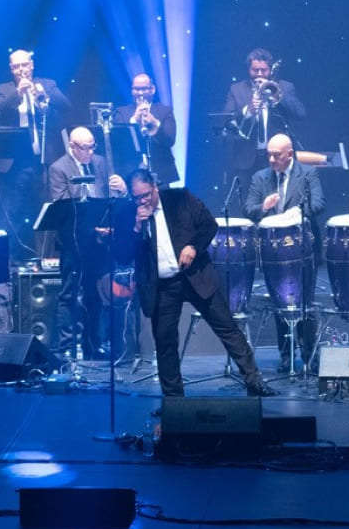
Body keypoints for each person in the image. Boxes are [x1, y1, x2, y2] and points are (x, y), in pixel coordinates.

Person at [115, 170, 277, 401]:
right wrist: (136, 228)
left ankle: (254, 380)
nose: (142, 201)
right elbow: (120, 255)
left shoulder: (179, 199)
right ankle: (173, 400)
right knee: (165, 341)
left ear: (155, 188)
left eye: (146, 195)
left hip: (194, 275)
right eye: (136, 197)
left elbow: (209, 225)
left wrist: (193, 247)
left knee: (227, 327)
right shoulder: (129, 214)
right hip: (162, 285)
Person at [244, 134, 326, 373]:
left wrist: (296, 213)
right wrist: (264, 208)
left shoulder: (308, 174)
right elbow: (249, 208)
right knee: (280, 301)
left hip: (303, 247)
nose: (271, 159)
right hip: (273, 250)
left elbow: (319, 204)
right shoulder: (260, 178)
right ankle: (285, 355)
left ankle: (311, 355)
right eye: (268, 154)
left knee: (305, 302)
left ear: (289, 154)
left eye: (276, 155)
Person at [46, 128, 127, 359]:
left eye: (93, 146)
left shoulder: (100, 163)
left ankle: (94, 343)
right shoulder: (59, 168)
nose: (90, 152)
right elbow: (62, 206)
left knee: (96, 294)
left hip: (99, 242)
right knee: (69, 294)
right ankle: (66, 346)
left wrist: (122, 190)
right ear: (72, 146)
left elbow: (110, 200)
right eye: (85, 147)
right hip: (73, 242)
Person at [221, 49, 307, 209]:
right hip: (246, 159)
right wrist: (247, 110)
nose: (259, 73)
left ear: (270, 70)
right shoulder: (237, 89)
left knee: (279, 204)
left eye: (263, 70)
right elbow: (225, 118)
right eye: (255, 70)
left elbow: (300, 113)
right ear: (248, 70)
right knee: (249, 205)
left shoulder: (285, 87)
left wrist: (278, 97)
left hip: (277, 158)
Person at [0, 49, 72, 161]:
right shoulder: (2, 90)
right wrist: (18, 93)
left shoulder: (48, 84)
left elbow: (66, 106)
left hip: (48, 151)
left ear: (31, 65)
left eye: (24, 65)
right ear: (11, 69)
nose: (21, 70)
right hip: (16, 153)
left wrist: (44, 93)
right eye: (16, 66)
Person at [112, 73, 180, 186]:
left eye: (144, 89)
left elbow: (170, 140)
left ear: (152, 89)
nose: (140, 93)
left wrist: (155, 124)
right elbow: (117, 142)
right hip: (131, 173)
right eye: (136, 89)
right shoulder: (121, 112)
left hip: (160, 173)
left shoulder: (164, 111)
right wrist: (134, 120)